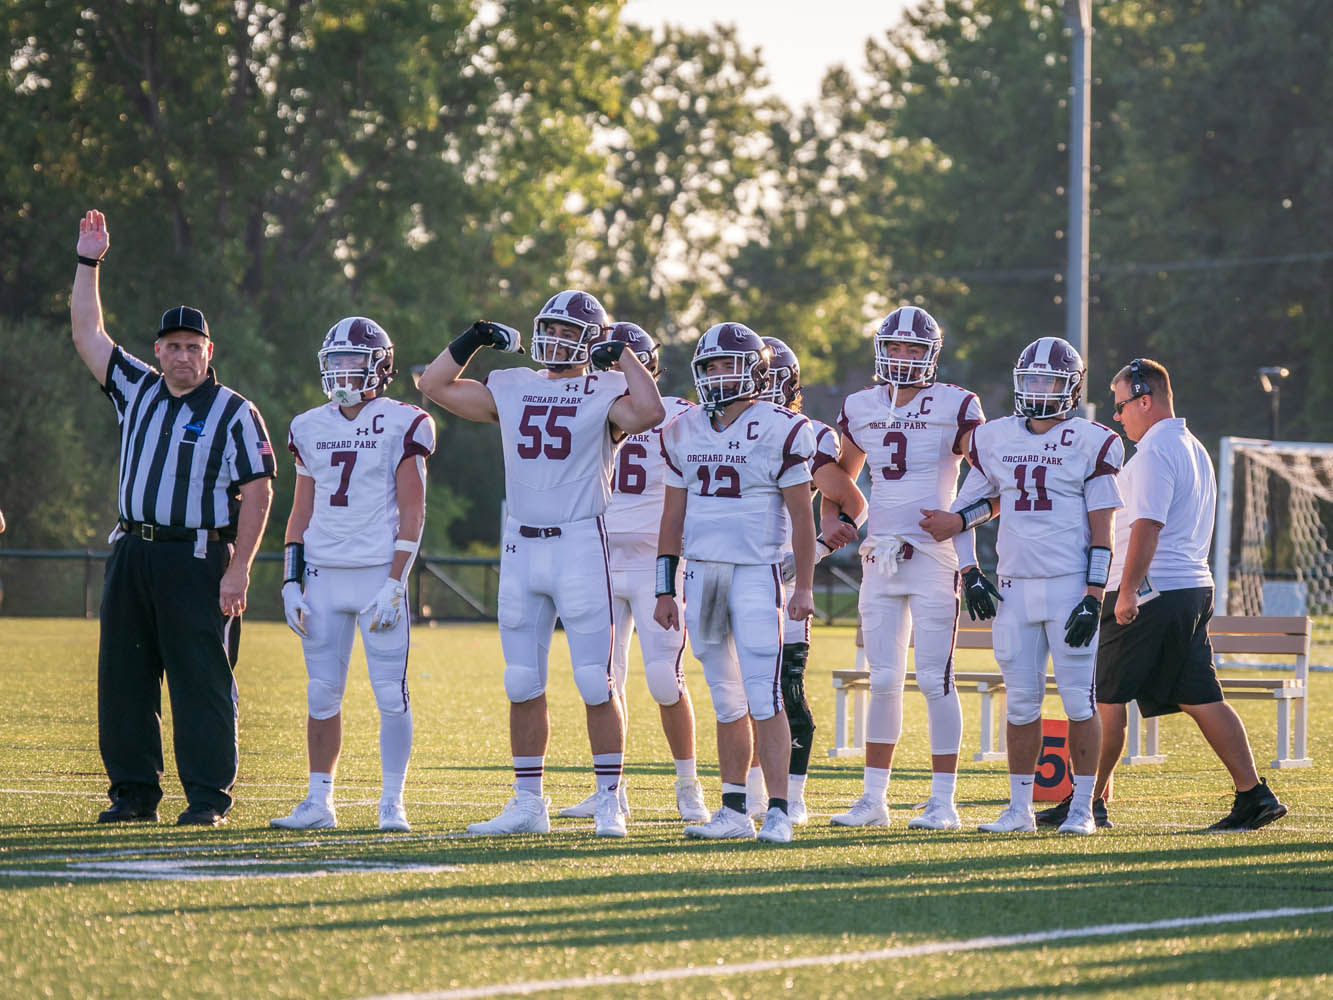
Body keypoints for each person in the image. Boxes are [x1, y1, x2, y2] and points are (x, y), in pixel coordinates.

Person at [418, 291, 665, 838]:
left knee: (595, 682)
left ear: (590, 338)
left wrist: (621, 355)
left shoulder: (605, 388)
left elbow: (650, 412)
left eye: (567, 329)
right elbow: (433, 386)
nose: (554, 337)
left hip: (579, 542)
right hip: (521, 546)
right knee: (521, 679)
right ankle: (528, 802)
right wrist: (473, 338)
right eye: (548, 327)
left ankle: (608, 799)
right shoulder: (512, 383)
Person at [71, 209, 275, 827]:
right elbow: (88, 333)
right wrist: (88, 262)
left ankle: (208, 799)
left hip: (197, 557)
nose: (182, 356)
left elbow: (260, 491)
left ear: (209, 352)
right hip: (133, 551)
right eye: (172, 347)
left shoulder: (236, 412)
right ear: (157, 351)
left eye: (193, 347)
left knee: (201, 680)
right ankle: (132, 795)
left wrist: (239, 569)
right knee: (124, 677)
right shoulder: (137, 387)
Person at [1040, 358, 1286, 831]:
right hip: (1190, 587)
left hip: (1151, 592)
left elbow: (1147, 526)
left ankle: (1085, 804)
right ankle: (1255, 795)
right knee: (1201, 696)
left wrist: (1127, 590)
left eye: (1122, 405)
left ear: (1145, 400)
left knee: (1102, 700)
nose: (1118, 416)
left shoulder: (1154, 452)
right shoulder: (1193, 447)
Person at [922, 336, 1122, 835]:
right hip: (1014, 588)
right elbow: (960, 515)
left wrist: (1093, 596)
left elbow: (1104, 531)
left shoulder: (1093, 440)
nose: (1038, 390)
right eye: (1031, 379)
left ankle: (1081, 809)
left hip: (1069, 586)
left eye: (1049, 380)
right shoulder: (994, 438)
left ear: (1071, 387)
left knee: (1079, 701)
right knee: (1021, 702)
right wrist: (968, 571)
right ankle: (1019, 809)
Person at [654, 322, 817, 844]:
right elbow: (672, 517)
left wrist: (806, 588)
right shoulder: (683, 429)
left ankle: (779, 810)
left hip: (755, 574)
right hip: (703, 575)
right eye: (711, 366)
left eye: (729, 364)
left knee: (765, 695)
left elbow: (803, 520)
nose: (719, 375)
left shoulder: (782, 426)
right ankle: (732, 809)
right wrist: (664, 586)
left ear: (756, 371)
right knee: (726, 699)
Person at [271, 317, 435, 833]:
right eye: (335, 362)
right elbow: (299, 513)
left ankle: (392, 801)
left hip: (374, 578)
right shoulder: (308, 425)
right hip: (322, 575)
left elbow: (414, 513)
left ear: (380, 368)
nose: (342, 372)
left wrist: (395, 581)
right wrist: (290, 579)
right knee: (321, 693)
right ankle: (319, 801)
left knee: (391, 694)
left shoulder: (402, 421)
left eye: (353, 362)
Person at [828, 307, 985, 832]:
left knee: (936, 678)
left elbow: (993, 477)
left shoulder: (956, 403)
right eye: (894, 347)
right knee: (884, 679)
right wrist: (836, 518)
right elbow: (839, 477)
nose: (901, 357)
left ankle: (943, 802)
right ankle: (874, 799)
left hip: (935, 555)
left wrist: (960, 519)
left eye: (913, 349)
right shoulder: (861, 405)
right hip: (880, 555)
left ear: (931, 355)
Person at [556, 322, 709, 824]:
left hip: (655, 564)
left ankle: (689, 785)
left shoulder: (683, 415)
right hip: (597, 559)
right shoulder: (587, 404)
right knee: (600, 681)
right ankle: (610, 790)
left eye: (627, 364)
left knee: (665, 679)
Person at [749, 336, 865, 825]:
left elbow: (853, 503)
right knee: (739, 691)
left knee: (785, 688)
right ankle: (748, 795)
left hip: (782, 573)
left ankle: (791, 797)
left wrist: (814, 551)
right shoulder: (718, 427)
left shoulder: (806, 433)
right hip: (736, 569)